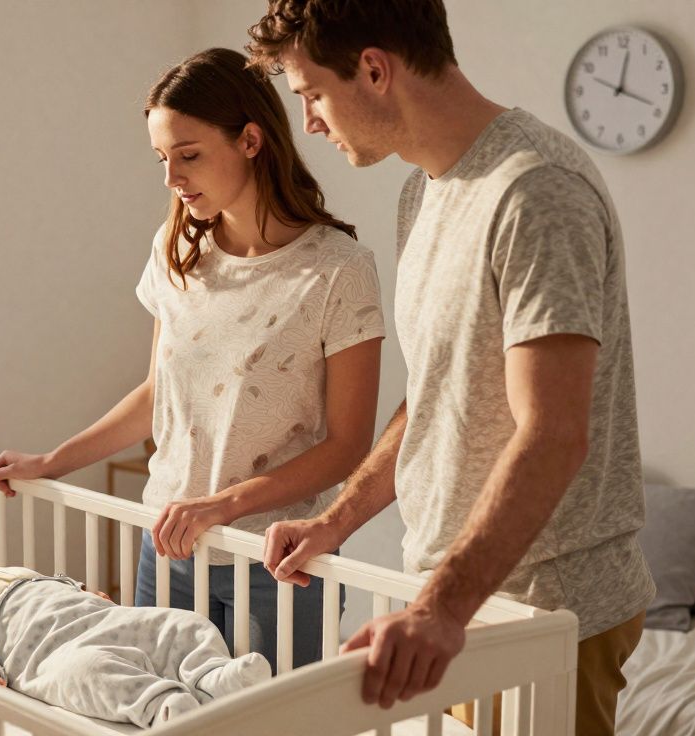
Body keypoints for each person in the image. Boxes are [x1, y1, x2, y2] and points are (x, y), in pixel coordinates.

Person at [246, 2, 654, 733]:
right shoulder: (422, 194)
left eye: (310, 93)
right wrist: (335, 521)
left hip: (550, 611)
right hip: (464, 600)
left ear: (374, 69)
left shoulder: (536, 190)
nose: (308, 121)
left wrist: (439, 610)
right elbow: (439, 396)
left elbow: (554, 432)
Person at [0, 47, 386, 669]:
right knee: (166, 711)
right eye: (161, 159)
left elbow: (348, 444)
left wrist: (224, 505)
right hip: (169, 551)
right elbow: (156, 396)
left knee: (271, 722)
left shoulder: (339, 271)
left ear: (251, 139)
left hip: (277, 561)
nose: (171, 178)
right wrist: (54, 460)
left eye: (189, 155)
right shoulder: (178, 252)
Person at [0, 540, 272, 727]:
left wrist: (82, 591)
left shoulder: (0, 573)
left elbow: (50, 583)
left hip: (102, 620)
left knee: (183, 623)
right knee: (91, 673)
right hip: (51, 657)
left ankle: (211, 675)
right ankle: (164, 707)